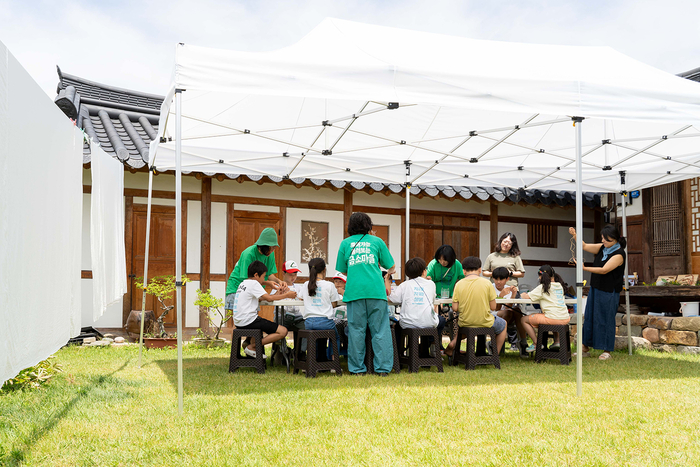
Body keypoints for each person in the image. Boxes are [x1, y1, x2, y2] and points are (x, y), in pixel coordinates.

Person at [336, 212, 395, 376]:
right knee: (381, 330)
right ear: (368, 225)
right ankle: (383, 369)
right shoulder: (377, 241)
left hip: (354, 292)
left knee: (356, 331)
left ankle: (357, 369)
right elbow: (391, 266)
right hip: (376, 291)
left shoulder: (345, 244)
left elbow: (341, 269)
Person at [569, 225, 626, 361]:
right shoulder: (603, 247)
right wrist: (574, 234)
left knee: (605, 319)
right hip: (596, 287)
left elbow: (604, 270)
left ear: (615, 240)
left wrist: (584, 268)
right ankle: (585, 348)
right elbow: (584, 246)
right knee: (590, 317)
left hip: (609, 291)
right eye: (602, 239)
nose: (604, 242)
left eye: (607, 240)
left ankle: (607, 350)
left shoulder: (619, 254)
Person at [232, 261, 297, 358]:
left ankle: (254, 355)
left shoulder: (243, 283)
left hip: (239, 321)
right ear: (256, 275)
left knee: (261, 327)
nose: (263, 280)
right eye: (263, 276)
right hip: (249, 321)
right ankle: (251, 347)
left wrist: (278, 294)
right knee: (283, 331)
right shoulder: (254, 283)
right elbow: (269, 299)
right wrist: (287, 295)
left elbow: (264, 298)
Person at [446, 256, 507, 356]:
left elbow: (455, 308)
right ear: (480, 270)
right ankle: (495, 355)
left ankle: (454, 343)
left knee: (466, 323)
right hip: (485, 321)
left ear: (464, 271)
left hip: (465, 322)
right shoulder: (487, 283)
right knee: (503, 324)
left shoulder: (459, 284)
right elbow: (493, 307)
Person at [387, 257, 446, 354]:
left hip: (408, 323)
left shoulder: (404, 285)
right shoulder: (431, 284)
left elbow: (392, 298)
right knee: (442, 320)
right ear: (424, 272)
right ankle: (426, 347)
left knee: (397, 326)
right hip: (428, 323)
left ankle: (398, 356)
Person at [225, 227, 287, 312]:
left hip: (253, 289)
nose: (273, 251)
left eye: (274, 248)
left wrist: (279, 282)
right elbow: (247, 280)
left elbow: (269, 275)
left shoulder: (270, 254)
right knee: (240, 320)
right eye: (271, 248)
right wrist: (268, 283)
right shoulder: (248, 254)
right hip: (237, 288)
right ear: (264, 245)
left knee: (253, 318)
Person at [520, 264, 571, 353]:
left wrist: (522, 293)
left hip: (551, 319)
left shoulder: (542, 287)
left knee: (523, 319)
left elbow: (526, 296)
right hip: (565, 318)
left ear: (541, 276)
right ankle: (557, 341)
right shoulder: (559, 286)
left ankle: (536, 343)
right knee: (551, 315)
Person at [299, 258, 342, 360]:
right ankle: (333, 362)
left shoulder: (306, 284)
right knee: (335, 338)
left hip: (309, 323)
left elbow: (300, 297)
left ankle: (312, 362)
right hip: (325, 322)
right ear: (324, 270)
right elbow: (334, 304)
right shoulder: (329, 285)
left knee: (315, 338)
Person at [491, 266, 528, 355]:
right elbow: (495, 308)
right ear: (493, 278)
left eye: (501, 279)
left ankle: (523, 342)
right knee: (509, 312)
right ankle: (495, 341)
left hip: (507, 315)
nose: (498, 282)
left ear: (507, 279)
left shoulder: (509, 288)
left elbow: (509, 307)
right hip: (492, 315)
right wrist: (500, 296)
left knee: (516, 310)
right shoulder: (490, 288)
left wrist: (513, 295)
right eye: (496, 279)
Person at [277, 260, 305, 334]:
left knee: (306, 327)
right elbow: (271, 298)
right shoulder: (277, 286)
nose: (293, 277)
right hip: (281, 316)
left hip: (297, 317)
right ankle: (282, 345)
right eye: (290, 274)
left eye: (295, 274)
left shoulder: (299, 287)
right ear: (283, 273)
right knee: (278, 328)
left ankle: (300, 346)